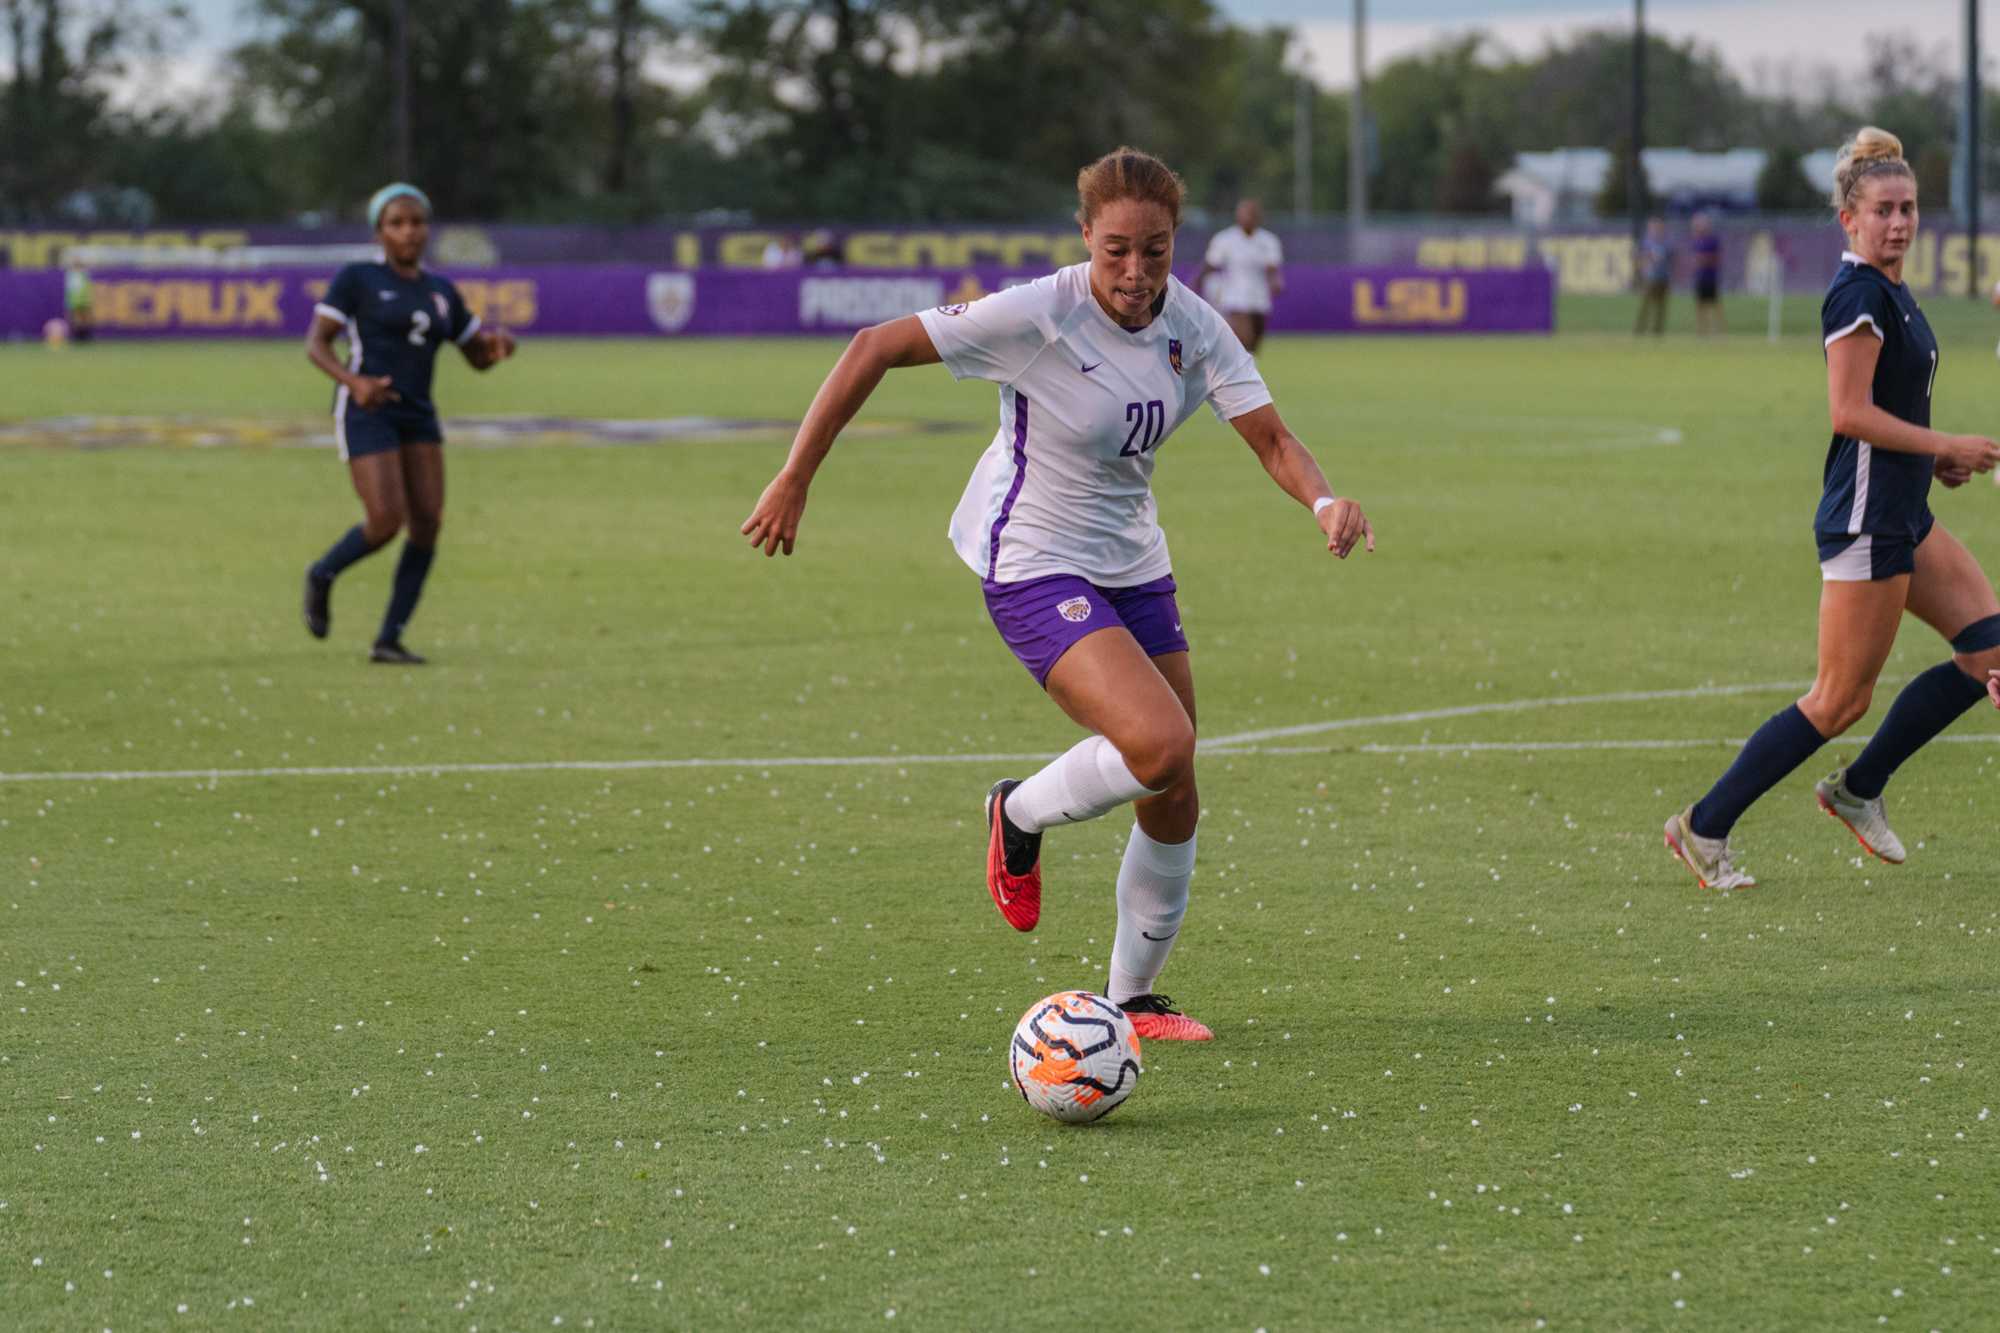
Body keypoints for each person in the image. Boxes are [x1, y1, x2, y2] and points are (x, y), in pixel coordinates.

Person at [741, 148, 1373, 1040]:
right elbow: (872, 346)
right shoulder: (1042, 310)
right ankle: (1017, 811)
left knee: (1176, 785)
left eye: (1154, 251)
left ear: (1174, 245)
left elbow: (1271, 437)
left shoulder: (1194, 323)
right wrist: (794, 475)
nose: (1135, 272)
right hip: (1033, 558)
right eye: (1116, 249)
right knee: (1159, 744)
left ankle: (1133, 998)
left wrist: (1322, 498)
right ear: (1085, 238)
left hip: (1131, 558)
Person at [1664, 127, 2000, 890]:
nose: (1899, 222)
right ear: (1849, 219)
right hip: (1866, 520)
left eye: (1909, 208)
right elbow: (1848, 412)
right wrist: (1942, 438)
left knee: (1989, 648)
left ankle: (1857, 790)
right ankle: (1703, 825)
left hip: (1904, 510)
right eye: (1883, 210)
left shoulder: (1893, 291)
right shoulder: (1856, 293)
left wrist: (1934, 458)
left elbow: (1890, 407)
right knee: (1838, 698)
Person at [301, 183, 517, 663]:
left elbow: (475, 357)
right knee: (384, 521)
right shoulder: (357, 278)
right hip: (369, 409)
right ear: (380, 231)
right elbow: (316, 344)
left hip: (418, 413)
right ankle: (323, 573)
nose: (409, 232)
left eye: (417, 222)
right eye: (397, 223)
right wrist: (353, 383)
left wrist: (497, 349)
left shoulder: (441, 292)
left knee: (427, 524)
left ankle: (389, 639)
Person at [1197, 198, 1284, 354]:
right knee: (1245, 339)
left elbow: (1272, 268)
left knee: (1254, 345)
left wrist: (1276, 282)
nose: (1248, 218)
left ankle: (1247, 370)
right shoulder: (1225, 239)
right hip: (1235, 297)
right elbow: (1211, 263)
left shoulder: (1268, 241)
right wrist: (1196, 281)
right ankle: (1244, 375)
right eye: (1244, 214)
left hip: (1260, 299)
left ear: (1258, 217)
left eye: (1251, 214)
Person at [1633, 217, 1672, 336]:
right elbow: (1639, 258)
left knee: (1661, 306)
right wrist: (1645, 265)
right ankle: (1640, 329)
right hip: (1650, 277)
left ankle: (1657, 330)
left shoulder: (1666, 242)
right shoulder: (1646, 242)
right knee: (1646, 305)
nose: (1657, 229)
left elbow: (1671, 258)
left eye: (1659, 227)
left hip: (1663, 277)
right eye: (1654, 227)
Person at [1690, 211, 1723, 336]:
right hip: (1700, 277)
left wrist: (1703, 259)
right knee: (1700, 305)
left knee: (1714, 304)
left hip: (1710, 277)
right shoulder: (1696, 241)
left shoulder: (1712, 241)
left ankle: (1719, 330)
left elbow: (1716, 258)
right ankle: (1702, 331)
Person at [63, 253, 94, 343]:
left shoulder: (84, 273)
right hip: (75, 300)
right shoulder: (71, 274)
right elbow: (69, 289)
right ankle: (78, 337)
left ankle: (85, 336)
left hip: (84, 300)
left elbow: (87, 287)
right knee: (77, 319)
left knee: (85, 319)